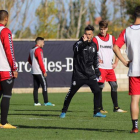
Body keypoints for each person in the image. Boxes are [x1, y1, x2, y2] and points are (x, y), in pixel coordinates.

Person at [60, 25, 106, 118]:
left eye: (89, 34)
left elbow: (94, 60)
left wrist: (97, 72)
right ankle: (64, 111)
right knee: (71, 93)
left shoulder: (94, 45)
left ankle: (96, 112)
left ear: (92, 34)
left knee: (97, 91)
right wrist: (84, 43)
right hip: (79, 74)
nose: (87, 35)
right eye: (86, 33)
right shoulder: (79, 43)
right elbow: (76, 49)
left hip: (90, 75)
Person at [113, 6, 140, 133]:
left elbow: (115, 47)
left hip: (134, 70)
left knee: (134, 100)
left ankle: (135, 127)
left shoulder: (127, 31)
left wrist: (124, 62)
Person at [93, 20, 127, 113]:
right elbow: (91, 51)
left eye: (104, 29)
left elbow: (117, 50)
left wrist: (116, 62)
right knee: (100, 87)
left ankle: (116, 108)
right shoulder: (96, 39)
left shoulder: (112, 38)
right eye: (100, 29)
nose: (102, 31)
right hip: (100, 67)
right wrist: (96, 59)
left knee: (114, 85)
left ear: (107, 29)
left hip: (109, 68)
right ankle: (100, 108)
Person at [0, 10, 18, 129]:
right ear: (6, 18)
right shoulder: (5, 31)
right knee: (6, 95)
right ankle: (3, 122)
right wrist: (14, 68)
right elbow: (9, 50)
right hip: (4, 69)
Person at [28, 37, 55, 106]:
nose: (44, 44)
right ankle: (46, 102)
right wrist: (44, 71)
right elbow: (40, 61)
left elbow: (29, 60)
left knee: (36, 87)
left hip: (34, 71)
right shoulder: (38, 50)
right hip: (39, 71)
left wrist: (33, 65)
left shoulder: (32, 50)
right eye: (43, 42)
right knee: (44, 85)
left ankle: (36, 102)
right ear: (39, 42)